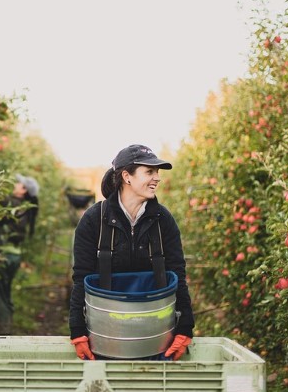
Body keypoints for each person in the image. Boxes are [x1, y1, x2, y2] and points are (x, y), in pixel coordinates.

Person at [69, 145, 195, 360]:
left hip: (155, 332)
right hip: (106, 331)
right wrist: (78, 331)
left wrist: (185, 327)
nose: (157, 178)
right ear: (127, 176)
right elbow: (81, 276)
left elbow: (177, 273)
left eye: (157, 173)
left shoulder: (162, 220)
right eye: (149, 172)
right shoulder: (94, 220)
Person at [0, 174, 40, 335]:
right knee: (5, 291)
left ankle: (1, 330)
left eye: (18, 183)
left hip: (2, 256)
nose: (15, 184)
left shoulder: (9, 203)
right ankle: (5, 325)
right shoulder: (25, 208)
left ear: (23, 190)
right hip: (14, 256)